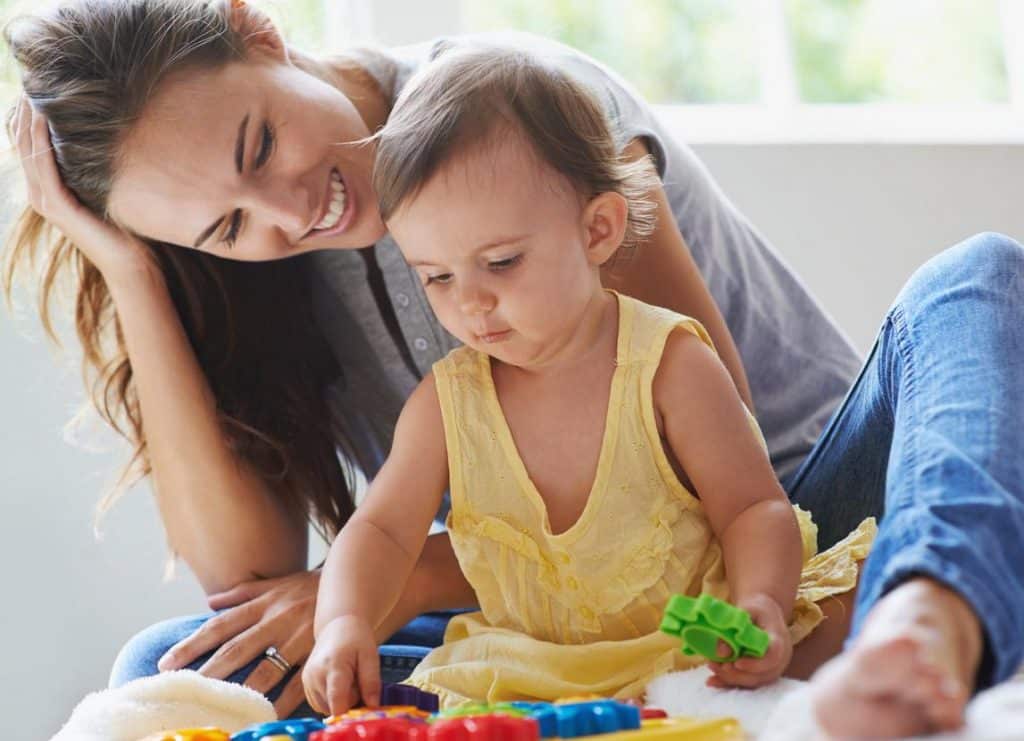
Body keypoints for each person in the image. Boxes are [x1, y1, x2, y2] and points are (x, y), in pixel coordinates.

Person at [3, 0, 1021, 735]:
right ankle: (644, 689)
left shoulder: (510, 113)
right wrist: (133, 269)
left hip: (777, 515)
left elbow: (682, 459)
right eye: (225, 226)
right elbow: (246, 578)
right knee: (171, 673)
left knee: (974, 279)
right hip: (557, 607)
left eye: (260, 143)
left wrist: (402, 580)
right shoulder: (256, 269)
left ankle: (920, 606)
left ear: (261, 30)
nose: (287, 211)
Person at [300, 45, 876, 714]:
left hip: (684, 654)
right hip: (530, 675)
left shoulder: (668, 364)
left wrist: (760, 605)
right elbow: (381, 532)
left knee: (841, 611)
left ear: (598, 228)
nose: (471, 302)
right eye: (437, 276)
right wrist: (340, 622)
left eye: (502, 261)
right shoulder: (446, 406)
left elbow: (752, 507)